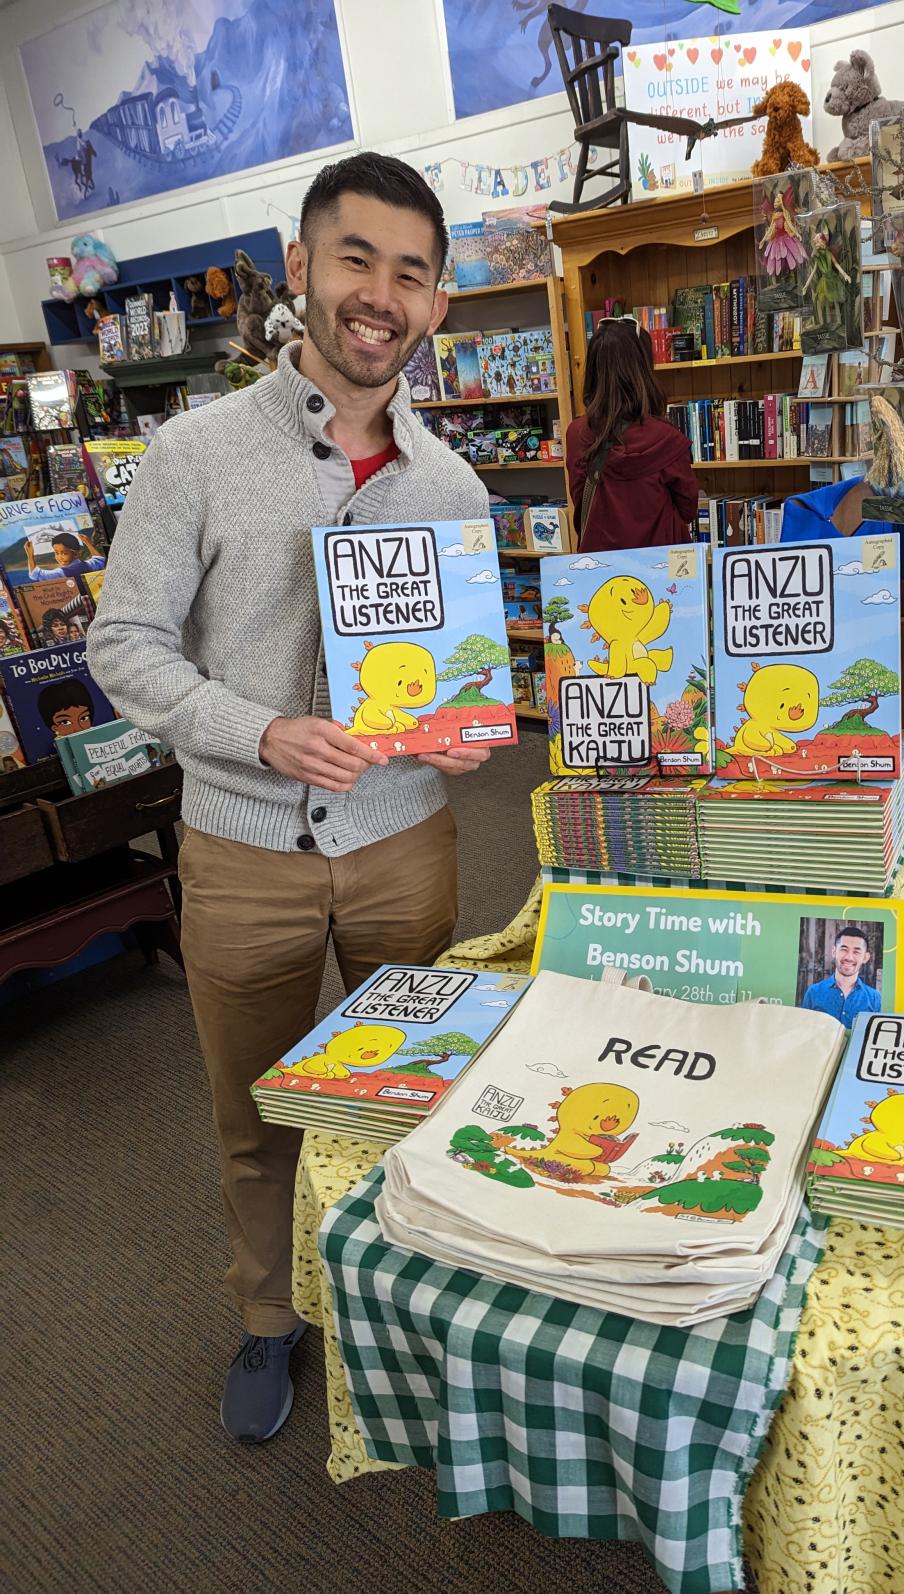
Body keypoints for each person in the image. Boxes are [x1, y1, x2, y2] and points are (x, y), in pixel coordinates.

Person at [88, 152, 492, 1445]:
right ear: (303, 272)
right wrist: (260, 729)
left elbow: (456, 668)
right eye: (357, 259)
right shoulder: (192, 453)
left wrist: (469, 724)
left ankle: (405, 1311)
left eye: (411, 274)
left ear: (435, 305)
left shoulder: (453, 487)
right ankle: (271, 1318)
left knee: (417, 1092)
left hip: (402, 842)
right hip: (246, 850)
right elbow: (125, 646)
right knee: (258, 1109)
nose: (382, 294)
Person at [566, 319, 699, 551]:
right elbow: (688, 510)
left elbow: (581, 505)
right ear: (643, 370)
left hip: (600, 570)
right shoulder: (667, 439)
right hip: (662, 572)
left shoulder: (577, 434)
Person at [801, 926, 882, 1027]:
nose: (849, 957)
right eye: (844, 949)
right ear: (834, 952)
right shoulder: (813, 993)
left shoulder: (875, 999)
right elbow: (804, 1033)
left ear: (865, 957)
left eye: (856, 951)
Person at [24, 528, 105, 582]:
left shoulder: (62, 572)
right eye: (56, 553)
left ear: (76, 553)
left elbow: (35, 575)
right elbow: (100, 560)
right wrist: (88, 543)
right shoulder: (88, 564)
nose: (60, 557)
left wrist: (30, 555)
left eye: (64, 553)